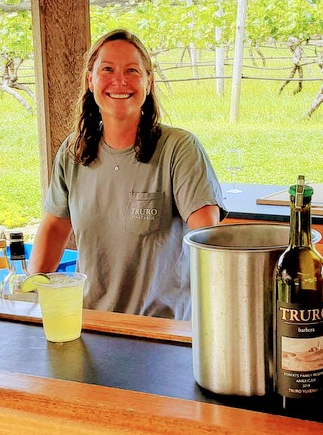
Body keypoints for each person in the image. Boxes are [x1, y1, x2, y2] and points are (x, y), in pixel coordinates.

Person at [29, 29, 226, 320]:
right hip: (91, 321)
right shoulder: (73, 151)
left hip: (161, 328)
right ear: (90, 80)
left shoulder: (179, 148)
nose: (119, 81)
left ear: (149, 82)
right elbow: (55, 228)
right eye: (107, 69)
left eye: (132, 71)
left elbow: (206, 237)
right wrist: (32, 295)